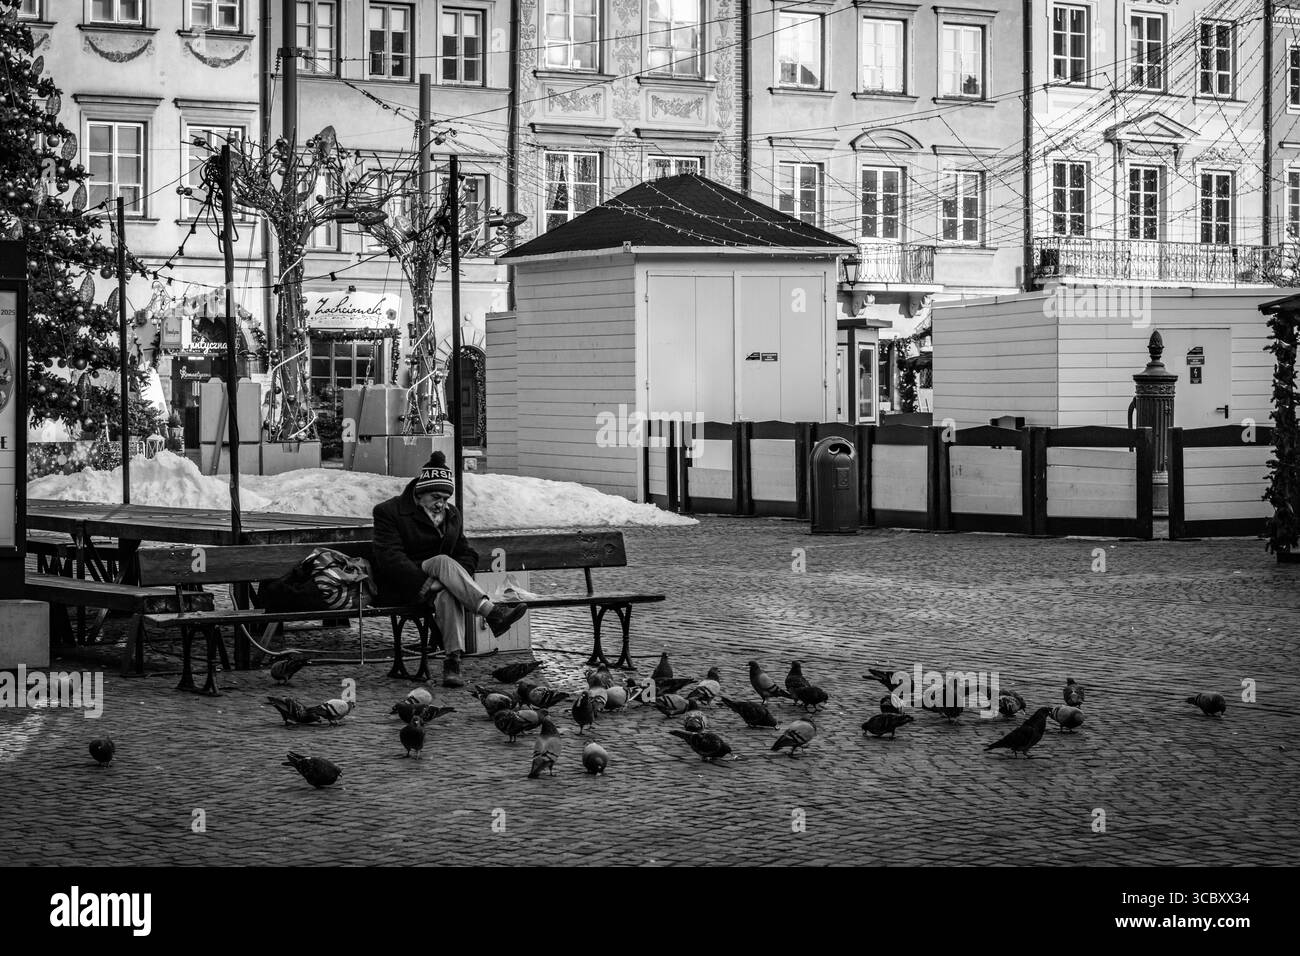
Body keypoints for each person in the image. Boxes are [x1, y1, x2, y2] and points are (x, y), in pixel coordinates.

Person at [371, 451, 527, 687]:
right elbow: (390, 560)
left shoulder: (451, 514)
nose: (441, 504)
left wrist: (443, 582)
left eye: (445, 498)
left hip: (441, 587)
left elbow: (467, 553)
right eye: (436, 497)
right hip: (404, 586)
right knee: (443, 561)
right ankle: (492, 613)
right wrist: (426, 582)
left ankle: (452, 662)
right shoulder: (388, 512)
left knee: (447, 596)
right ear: (420, 492)